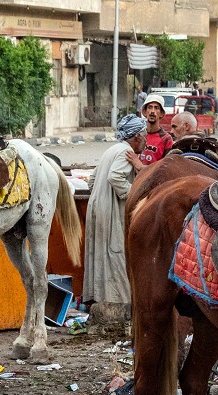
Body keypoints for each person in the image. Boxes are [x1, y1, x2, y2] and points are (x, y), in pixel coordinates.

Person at [84, 114, 147, 334]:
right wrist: (135, 197)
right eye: (144, 135)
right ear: (136, 137)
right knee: (116, 255)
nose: (146, 140)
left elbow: (93, 180)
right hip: (110, 211)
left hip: (97, 208)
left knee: (103, 256)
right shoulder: (124, 152)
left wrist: (100, 198)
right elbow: (115, 177)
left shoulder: (111, 150)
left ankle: (103, 303)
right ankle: (119, 309)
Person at [138, 99, 172, 166]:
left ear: (161, 113)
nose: (152, 111)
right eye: (150, 107)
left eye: (156, 108)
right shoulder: (138, 135)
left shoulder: (166, 138)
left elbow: (165, 166)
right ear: (145, 112)